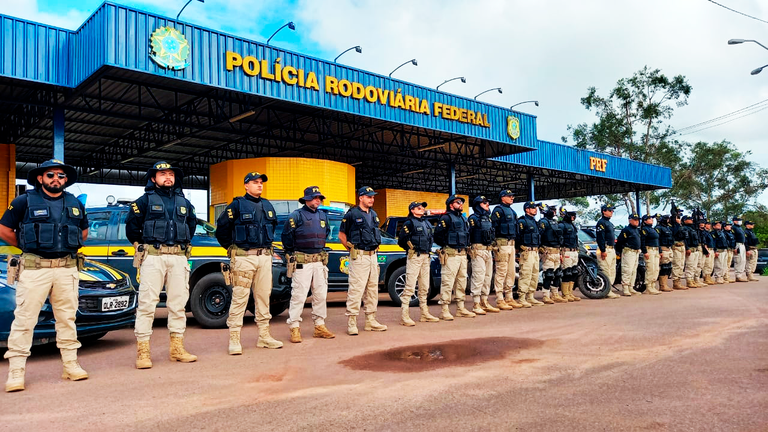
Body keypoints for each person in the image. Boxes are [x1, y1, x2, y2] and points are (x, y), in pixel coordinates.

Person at [0, 159, 89, 392]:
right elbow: (4, 229)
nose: (56, 179)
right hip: (35, 269)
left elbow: (83, 231)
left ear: (66, 179)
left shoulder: (74, 203)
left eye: (61, 175)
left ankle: (70, 365)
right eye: (51, 175)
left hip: (66, 269)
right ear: (40, 178)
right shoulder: (24, 201)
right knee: (24, 320)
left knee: (67, 319)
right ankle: (16, 371)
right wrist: (26, 246)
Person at [127, 161, 198, 368]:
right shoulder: (143, 201)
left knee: (178, 304)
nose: (168, 177)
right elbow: (132, 228)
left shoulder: (184, 202)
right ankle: (143, 352)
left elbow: (191, 225)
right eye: (163, 174)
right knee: (147, 304)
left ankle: (177, 349)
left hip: (178, 257)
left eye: (171, 174)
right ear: (153, 178)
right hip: (153, 257)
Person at [216, 171, 282, 353]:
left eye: (261, 182)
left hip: (264, 257)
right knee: (240, 297)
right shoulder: (237, 205)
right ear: (246, 185)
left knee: (263, 296)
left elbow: (273, 227)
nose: (259, 185)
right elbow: (221, 229)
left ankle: (264, 336)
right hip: (244, 257)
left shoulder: (267, 205)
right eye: (255, 182)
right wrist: (231, 249)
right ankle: (234, 338)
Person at [281, 186, 335, 342]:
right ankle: (294, 327)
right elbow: (287, 238)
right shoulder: (296, 216)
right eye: (315, 197)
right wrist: (294, 253)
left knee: (320, 295)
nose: (318, 200)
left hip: (319, 261)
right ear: (306, 199)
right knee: (299, 295)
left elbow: (325, 235)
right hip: (302, 262)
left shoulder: (323, 216)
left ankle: (319, 326)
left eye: (319, 198)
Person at [339, 186, 387, 334]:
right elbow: (342, 235)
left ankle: (370, 321)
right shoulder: (352, 214)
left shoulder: (373, 214)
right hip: (359, 256)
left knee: (372, 289)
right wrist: (352, 249)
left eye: (372, 197)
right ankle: (352, 322)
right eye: (368, 197)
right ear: (360, 198)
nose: (371, 199)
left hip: (373, 256)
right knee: (356, 289)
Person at [397, 201, 440, 325]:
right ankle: (405, 316)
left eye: (422, 207)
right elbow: (402, 240)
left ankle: (424, 313)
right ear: (412, 210)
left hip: (426, 257)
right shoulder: (409, 223)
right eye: (418, 207)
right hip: (415, 256)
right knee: (410, 286)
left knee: (424, 286)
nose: (422, 209)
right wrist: (410, 248)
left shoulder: (426, 223)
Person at [434, 195, 475, 319]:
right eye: (458, 202)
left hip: (462, 254)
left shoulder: (463, 219)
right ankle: (444, 310)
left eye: (462, 202)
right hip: (451, 254)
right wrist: (447, 245)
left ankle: (460, 308)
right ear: (451, 205)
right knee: (448, 282)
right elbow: (437, 236)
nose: (461, 204)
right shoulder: (446, 218)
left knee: (461, 282)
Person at [467, 196, 499, 314]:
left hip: (488, 250)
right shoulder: (473, 218)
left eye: (487, 202)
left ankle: (484, 302)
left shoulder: (488, 219)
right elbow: (468, 234)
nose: (487, 205)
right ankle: (476, 303)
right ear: (478, 204)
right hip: (478, 250)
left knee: (487, 276)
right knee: (478, 276)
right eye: (484, 203)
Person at [490, 189, 521, 310]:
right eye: (509, 196)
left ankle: (509, 297)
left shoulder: (512, 211)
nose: (512, 198)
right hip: (501, 244)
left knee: (511, 272)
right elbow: (493, 228)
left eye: (512, 196)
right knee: (501, 272)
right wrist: (495, 245)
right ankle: (499, 298)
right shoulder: (498, 210)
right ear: (502, 198)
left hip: (511, 244)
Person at [517, 201, 543, 306]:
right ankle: (522, 297)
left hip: (535, 251)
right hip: (527, 251)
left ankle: (530, 296)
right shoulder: (522, 221)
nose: (535, 209)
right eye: (532, 208)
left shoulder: (535, 222)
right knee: (526, 274)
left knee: (534, 274)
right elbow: (518, 235)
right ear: (527, 209)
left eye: (535, 208)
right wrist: (520, 247)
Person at [538, 204, 564, 304]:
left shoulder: (555, 222)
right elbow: (540, 235)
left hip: (556, 250)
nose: (554, 212)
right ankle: (546, 295)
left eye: (554, 210)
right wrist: (541, 248)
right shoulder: (543, 222)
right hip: (547, 250)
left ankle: (555, 294)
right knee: (548, 274)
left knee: (557, 274)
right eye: (552, 210)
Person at [595, 204, 620, 299]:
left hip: (611, 248)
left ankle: (609, 289)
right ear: (604, 211)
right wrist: (602, 250)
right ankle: (606, 290)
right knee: (606, 270)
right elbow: (600, 238)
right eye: (610, 210)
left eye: (612, 211)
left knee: (612, 270)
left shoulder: (610, 223)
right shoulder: (601, 223)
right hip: (605, 249)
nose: (612, 212)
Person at [616, 213, 642, 296]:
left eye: (638, 220)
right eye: (635, 220)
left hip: (636, 251)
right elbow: (620, 241)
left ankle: (631, 286)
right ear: (630, 220)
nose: (637, 221)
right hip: (628, 251)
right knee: (627, 270)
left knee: (634, 270)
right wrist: (619, 251)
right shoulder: (626, 230)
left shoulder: (636, 229)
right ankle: (625, 288)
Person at [558, 207, 581, 302]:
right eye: (571, 215)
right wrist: (560, 252)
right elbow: (559, 239)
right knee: (567, 272)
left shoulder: (573, 226)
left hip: (574, 251)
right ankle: (565, 294)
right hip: (566, 251)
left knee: (574, 272)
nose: (573, 217)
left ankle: (570, 293)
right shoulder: (562, 225)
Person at [640, 214, 661, 295]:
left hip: (655, 250)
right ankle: (648, 286)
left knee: (656, 269)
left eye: (652, 219)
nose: (651, 220)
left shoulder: (652, 229)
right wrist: (645, 252)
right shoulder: (644, 229)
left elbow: (657, 240)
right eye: (649, 219)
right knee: (650, 268)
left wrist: (659, 251)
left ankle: (653, 285)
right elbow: (643, 241)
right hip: (649, 249)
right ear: (645, 221)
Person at [670, 210, 688, 290]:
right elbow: (673, 233)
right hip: (676, 246)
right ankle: (676, 282)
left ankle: (679, 280)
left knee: (681, 264)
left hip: (682, 245)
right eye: (677, 216)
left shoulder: (681, 225)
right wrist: (676, 223)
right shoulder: (672, 225)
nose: (679, 217)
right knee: (677, 264)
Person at [656, 215, 675, 292]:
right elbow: (657, 240)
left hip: (669, 248)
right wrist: (660, 250)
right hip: (663, 248)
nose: (668, 220)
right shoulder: (658, 228)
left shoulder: (667, 227)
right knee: (664, 266)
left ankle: (665, 284)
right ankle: (662, 285)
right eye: (666, 219)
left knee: (668, 267)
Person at [682, 216, 701, 288]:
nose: (691, 220)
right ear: (684, 220)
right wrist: (687, 248)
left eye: (691, 219)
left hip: (695, 249)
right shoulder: (684, 228)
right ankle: (689, 281)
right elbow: (685, 239)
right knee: (689, 266)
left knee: (694, 266)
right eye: (688, 219)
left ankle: (692, 280)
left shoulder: (692, 228)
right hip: (690, 249)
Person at [731, 216, 748, 282]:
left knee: (743, 260)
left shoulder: (740, 228)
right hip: (737, 244)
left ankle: (740, 275)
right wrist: (735, 247)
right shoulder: (733, 228)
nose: (740, 221)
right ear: (734, 221)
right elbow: (733, 238)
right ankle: (738, 275)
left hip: (742, 244)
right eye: (738, 220)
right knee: (739, 260)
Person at [694, 220, 711, 287]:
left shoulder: (703, 232)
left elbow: (704, 241)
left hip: (703, 246)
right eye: (700, 223)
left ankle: (697, 279)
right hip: (698, 247)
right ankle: (696, 279)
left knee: (701, 264)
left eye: (703, 223)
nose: (702, 224)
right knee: (698, 264)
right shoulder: (696, 230)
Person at [701, 221, 717, 285]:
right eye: (707, 224)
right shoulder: (704, 233)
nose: (709, 225)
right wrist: (706, 250)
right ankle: (706, 278)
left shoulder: (709, 233)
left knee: (711, 264)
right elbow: (704, 242)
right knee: (707, 264)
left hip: (711, 249)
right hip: (707, 249)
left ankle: (709, 277)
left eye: (709, 224)